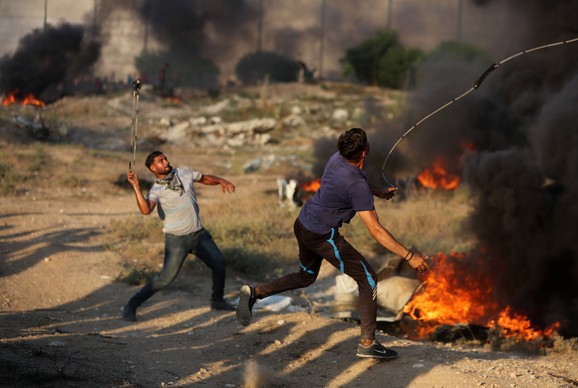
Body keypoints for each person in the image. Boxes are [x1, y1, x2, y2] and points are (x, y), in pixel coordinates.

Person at [236, 128, 430, 359]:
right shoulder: (356, 183)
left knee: (306, 276)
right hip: (321, 234)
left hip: (303, 222)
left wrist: (376, 192)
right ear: (365, 151)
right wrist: (410, 257)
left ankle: (255, 293)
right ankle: (368, 343)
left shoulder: (336, 158)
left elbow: (349, 185)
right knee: (368, 278)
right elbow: (376, 230)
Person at [123, 151, 236, 322]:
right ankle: (132, 304)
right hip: (176, 240)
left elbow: (204, 178)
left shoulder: (184, 172)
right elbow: (145, 209)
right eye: (160, 161)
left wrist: (221, 180)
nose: (166, 161)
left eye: (165, 158)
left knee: (219, 263)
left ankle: (217, 301)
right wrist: (136, 187)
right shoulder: (156, 190)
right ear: (153, 168)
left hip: (199, 235)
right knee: (165, 279)